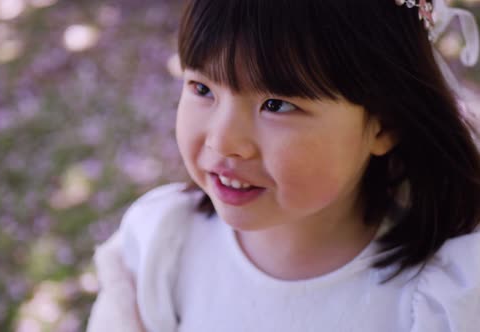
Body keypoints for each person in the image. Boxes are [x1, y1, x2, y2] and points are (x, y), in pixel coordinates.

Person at [87, 0, 480, 331]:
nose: (223, 141)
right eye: (203, 89)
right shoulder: (163, 248)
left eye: (276, 105)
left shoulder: (439, 301)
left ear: (385, 123)